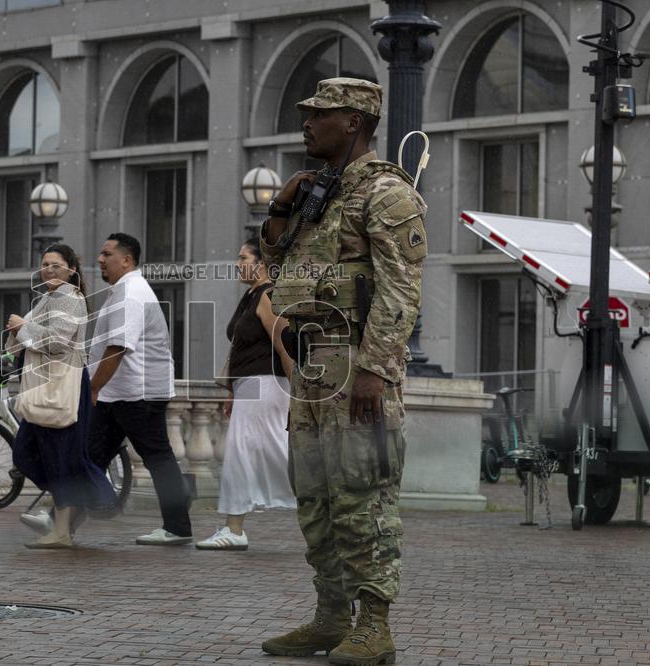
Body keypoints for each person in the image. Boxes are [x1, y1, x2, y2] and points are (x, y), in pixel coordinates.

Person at [258, 78, 428, 666]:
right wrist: (282, 206)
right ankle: (331, 617)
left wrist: (376, 370)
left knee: (362, 494)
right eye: (307, 113)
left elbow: (401, 291)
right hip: (315, 367)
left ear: (353, 122)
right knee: (316, 496)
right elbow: (276, 262)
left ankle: (373, 626)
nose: (307, 123)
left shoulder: (385, 194)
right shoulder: (318, 193)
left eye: (320, 114)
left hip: (357, 366)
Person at [5, 244, 118, 549]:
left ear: (71, 269)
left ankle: (65, 525)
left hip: (62, 386)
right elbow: (25, 340)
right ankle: (76, 503)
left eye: (56, 265)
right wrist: (19, 329)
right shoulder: (48, 298)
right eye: (45, 265)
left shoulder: (70, 297)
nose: (49, 270)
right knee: (31, 454)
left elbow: (57, 343)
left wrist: (22, 326)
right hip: (45, 387)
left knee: (60, 457)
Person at [86, 232, 193, 545]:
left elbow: (118, 347)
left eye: (107, 254)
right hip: (122, 393)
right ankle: (59, 522)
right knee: (92, 456)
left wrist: (93, 388)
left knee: (158, 458)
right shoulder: (124, 290)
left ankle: (177, 527)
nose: (100, 260)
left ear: (126, 260)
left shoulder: (130, 293)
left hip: (137, 394)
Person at [195, 238, 296, 551]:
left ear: (262, 263)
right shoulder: (251, 296)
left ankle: (235, 528)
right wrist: (234, 391)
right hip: (251, 385)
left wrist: (298, 392)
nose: (238, 264)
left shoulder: (267, 295)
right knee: (261, 453)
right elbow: (242, 347)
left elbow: (283, 344)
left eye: (243, 258)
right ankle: (235, 527)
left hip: (266, 384)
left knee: (253, 452)